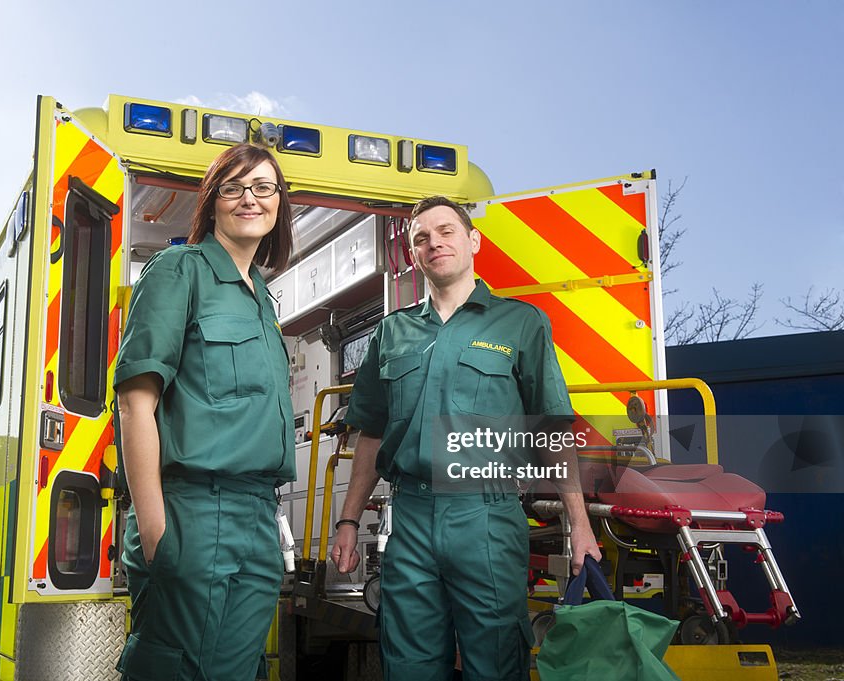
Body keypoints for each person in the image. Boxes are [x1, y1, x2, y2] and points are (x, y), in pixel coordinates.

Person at [331, 196, 601, 681]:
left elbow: (552, 430)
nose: (434, 242)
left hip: (487, 516)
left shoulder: (521, 323)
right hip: (410, 517)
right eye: (421, 237)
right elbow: (371, 434)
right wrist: (348, 520)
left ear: (472, 240)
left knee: (495, 661)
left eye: (446, 231)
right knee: (409, 663)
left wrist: (578, 525)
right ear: (414, 256)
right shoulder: (393, 332)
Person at [113, 144, 296, 681]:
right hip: (194, 509)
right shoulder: (179, 270)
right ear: (212, 200)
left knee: (236, 670)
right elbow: (134, 401)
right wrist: (156, 531)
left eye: (264, 187)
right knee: (177, 669)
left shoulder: (261, 297)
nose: (249, 199)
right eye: (233, 187)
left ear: (279, 203)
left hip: (258, 517)